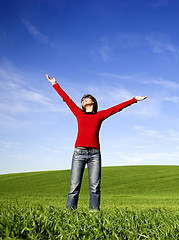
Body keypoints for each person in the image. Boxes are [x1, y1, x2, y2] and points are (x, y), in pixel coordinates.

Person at [46, 74, 148, 210]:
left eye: (86, 98)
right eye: (82, 99)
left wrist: (134, 99)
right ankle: (69, 213)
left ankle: (94, 214)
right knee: (74, 186)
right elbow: (66, 99)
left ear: (93, 101)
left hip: (95, 154)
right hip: (79, 153)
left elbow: (117, 108)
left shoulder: (100, 115)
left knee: (95, 187)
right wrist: (54, 84)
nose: (83, 100)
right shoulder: (78, 113)